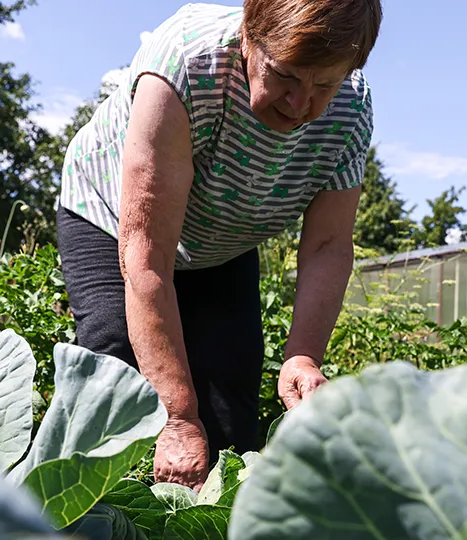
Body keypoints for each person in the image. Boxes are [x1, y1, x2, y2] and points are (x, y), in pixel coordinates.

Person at [55, 0, 381, 490]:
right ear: (249, 36)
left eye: (324, 86)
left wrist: (302, 356)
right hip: (113, 217)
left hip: (222, 238)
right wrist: (177, 416)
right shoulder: (185, 64)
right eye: (285, 76)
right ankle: (92, 512)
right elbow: (147, 256)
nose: (301, 104)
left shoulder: (350, 107)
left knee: (229, 399)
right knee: (117, 369)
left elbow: (328, 245)